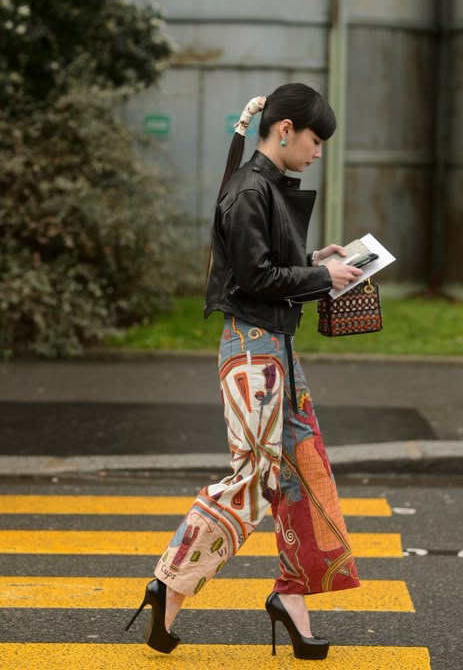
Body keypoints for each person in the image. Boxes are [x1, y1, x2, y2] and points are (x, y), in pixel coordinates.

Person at [125, 83, 363, 660]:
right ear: (285, 130)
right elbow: (253, 279)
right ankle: (170, 582)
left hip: (276, 350)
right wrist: (316, 281)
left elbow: (266, 265)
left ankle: (292, 600)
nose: (318, 151)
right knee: (254, 482)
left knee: (303, 474)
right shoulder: (248, 190)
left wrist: (316, 263)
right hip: (252, 353)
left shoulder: (264, 189)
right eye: (314, 139)